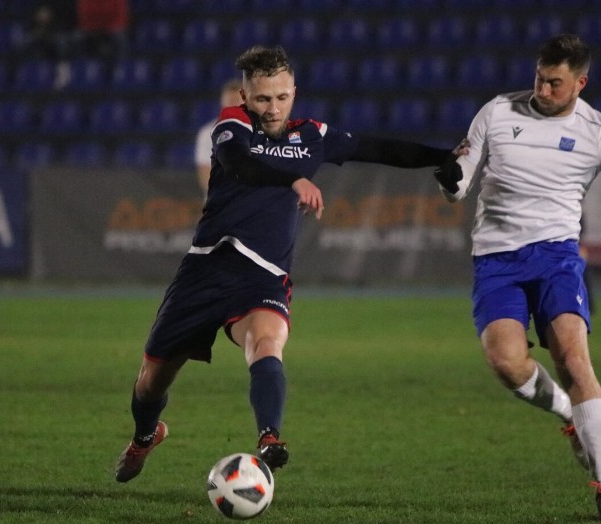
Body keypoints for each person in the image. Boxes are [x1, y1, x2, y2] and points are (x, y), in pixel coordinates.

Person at [115, 45, 467, 483]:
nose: (273, 107)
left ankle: (269, 437)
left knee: (266, 343)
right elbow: (239, 166)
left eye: (282, 97)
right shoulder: (232, 125)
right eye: (263, 98)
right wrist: (294, 178)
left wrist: (440, 156)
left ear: (294, 92)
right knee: (151, 381)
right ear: (245, 97)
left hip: (263, 274)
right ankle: (146, 435)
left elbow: (375, 148)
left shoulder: (313, 135)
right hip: (206, 268)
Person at [434, 33, 601, 519]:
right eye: (539, 77)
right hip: (495, 259)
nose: (543, 89)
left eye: (555, 83)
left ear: (580, 82)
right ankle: (566, 415)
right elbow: (461, 182)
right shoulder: (496, 112)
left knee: (574, 360)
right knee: (506, 363)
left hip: (556, 256)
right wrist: (452, 181)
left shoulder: (599, 133)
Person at [195, 80, 244, 197]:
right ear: (222, 103)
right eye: (230, 101)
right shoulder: (208, 134)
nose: (233, 105)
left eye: (237, 101)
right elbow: (205, 176)